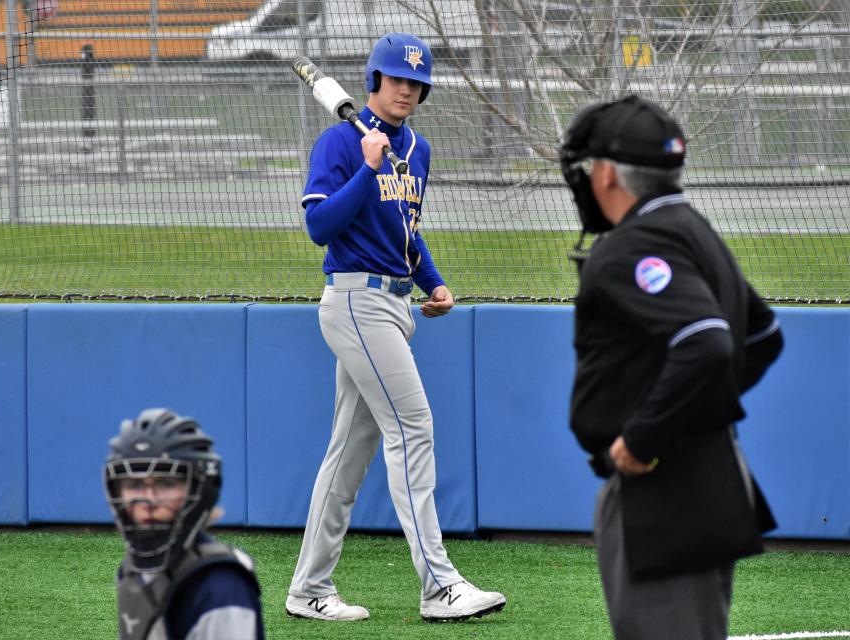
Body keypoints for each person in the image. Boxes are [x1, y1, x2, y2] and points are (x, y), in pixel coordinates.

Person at [285, 32, 506, 623]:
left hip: (396, 305)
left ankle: (308, 590)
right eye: (396, 79)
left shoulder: (419, 150)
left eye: (416, 82)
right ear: (373, 82)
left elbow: (408, 230)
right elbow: (319, 228)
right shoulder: (340, 142)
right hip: (354, 300)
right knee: (414, 427)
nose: (406, 89)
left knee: (349, 456)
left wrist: (433, 281)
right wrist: (366, 169)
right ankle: (439, 586)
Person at [560, 95, 785, 640]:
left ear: (609, 173)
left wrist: (643, 438)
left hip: (663, 496)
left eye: (592, 168)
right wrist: (693, 415)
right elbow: (761, 336)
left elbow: (706, 342)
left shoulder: (635, 245)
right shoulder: (692, 228)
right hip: (706, 482)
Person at [104, 408, 264, 640]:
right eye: (134, 485)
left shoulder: (220, 588)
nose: (148, 499)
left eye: (166, 483)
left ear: (199, 488)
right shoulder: (135, 567)